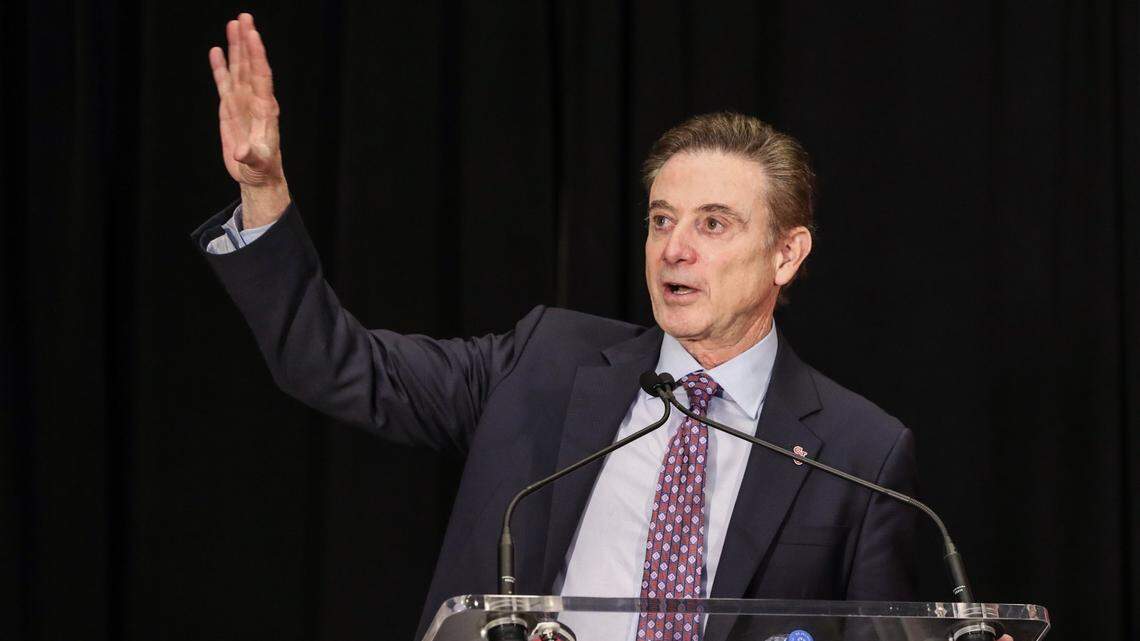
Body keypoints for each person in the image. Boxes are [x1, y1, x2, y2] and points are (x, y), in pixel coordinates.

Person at [197, 13, 1011, 641]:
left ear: (786, 254)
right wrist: (265, 193)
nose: (675, 248)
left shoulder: (861, 455)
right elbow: (336, 365)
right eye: (662, 219)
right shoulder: (543, 361)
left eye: (715, 223)